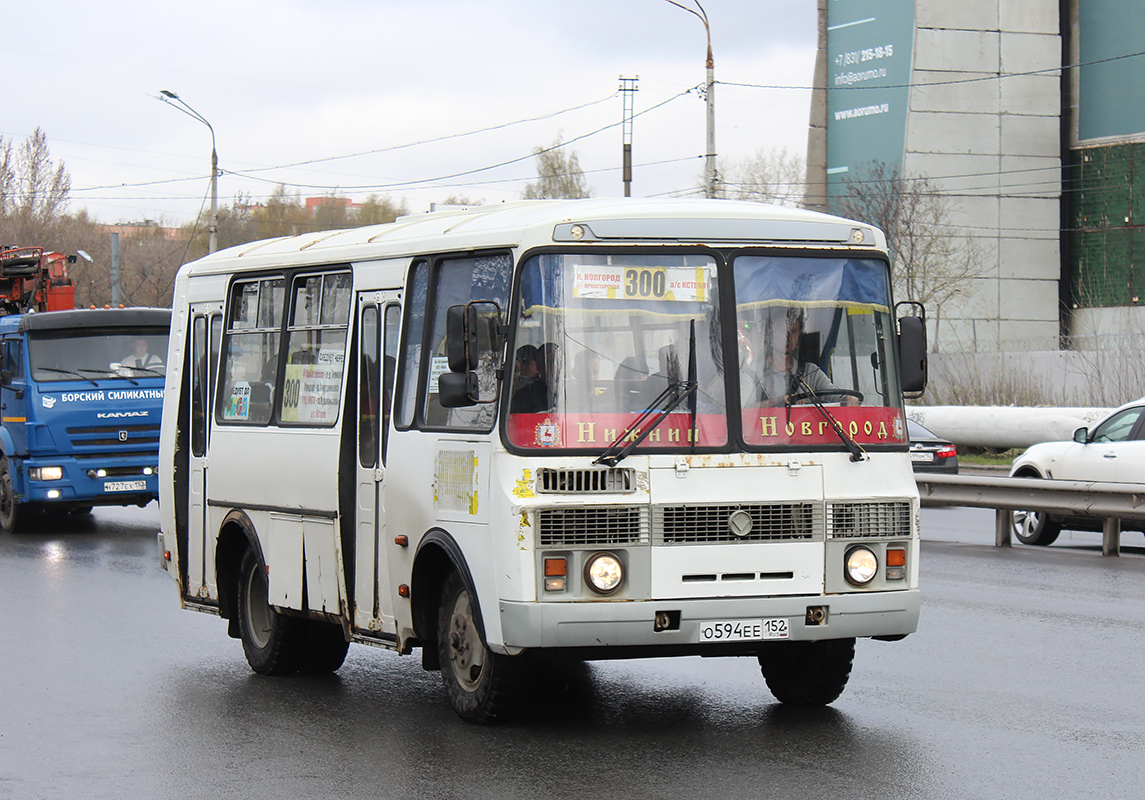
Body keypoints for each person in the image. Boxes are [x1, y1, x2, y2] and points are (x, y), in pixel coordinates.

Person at [746, 309, 858, 407]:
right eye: (783, 331)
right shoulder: (752, 374)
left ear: (799, 336)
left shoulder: (811, 373)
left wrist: (848, 399)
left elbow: (835, 395)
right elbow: (739, 411)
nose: (788, 337)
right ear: (769, 334)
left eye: (793, 332)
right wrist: (777, 402)